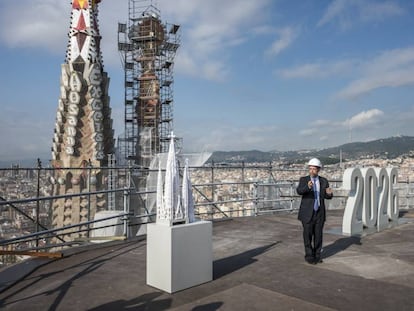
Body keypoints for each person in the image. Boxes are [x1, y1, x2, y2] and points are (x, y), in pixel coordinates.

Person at [296, 158, 333, 264]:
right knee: (307, 235)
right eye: (310, 169)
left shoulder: (324, 181)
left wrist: (329, 194)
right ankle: (309, 255)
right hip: (307, 213)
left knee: (318, 235)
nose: (312, 171)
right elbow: (299, 191)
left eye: (314, 169)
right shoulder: (304, 180)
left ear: (319, 169)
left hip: (319, 213)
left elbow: (327, 196)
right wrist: (307, 187)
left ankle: (317, 255)